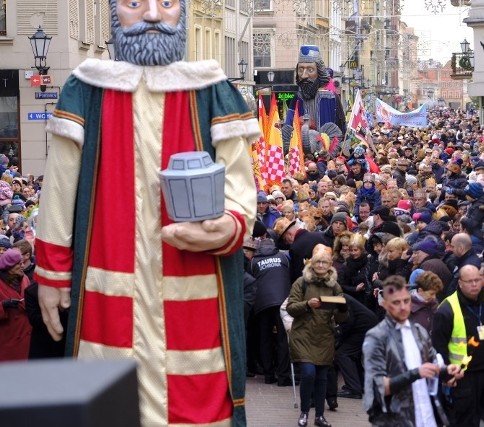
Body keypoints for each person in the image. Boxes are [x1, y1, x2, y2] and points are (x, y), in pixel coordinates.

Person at [34, 1, 260, 424]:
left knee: (197, 398)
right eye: (136, 3)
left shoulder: (211, 89)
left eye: (168, 3)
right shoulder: (85, 88)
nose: (154, 15)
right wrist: (51, 273)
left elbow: (240, 187)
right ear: (113, 12)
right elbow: (59, 191)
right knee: (108, 403)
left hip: (195, 286)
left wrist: (227, 225)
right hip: (108, 288)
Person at [363, 275, 462, 426]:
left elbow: (433, 364)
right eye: (396, 302)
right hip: (395, 419)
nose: (403, 307)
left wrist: (448, 371)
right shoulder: (376, 337)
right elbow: (378, 387)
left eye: (406, 301)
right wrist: (416, 373)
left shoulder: (419, 332)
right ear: (385, 304)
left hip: (426, 416)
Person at [432, 265, 484, 427]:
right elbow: (438, 347)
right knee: (465, 421)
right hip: (463, 376)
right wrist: (446, 374)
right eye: (469, 281)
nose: (474, 284)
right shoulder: (447, 308)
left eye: (477, 280)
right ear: (460, 283)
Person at [286, 244, 348, 427]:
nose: (320, 265)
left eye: (324, 262)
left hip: (324, 336)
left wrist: (343, 308)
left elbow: (340, 317)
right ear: (311, 263)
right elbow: (290, 307)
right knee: (308, 373)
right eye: (317, 262)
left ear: (330, 265)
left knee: (322, 378)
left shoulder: (335, 286)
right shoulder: (301, 282)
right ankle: (305, 412)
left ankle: (319, 416)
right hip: (303, 335)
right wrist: (307, 304)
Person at [283, 45, 346, 156]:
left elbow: (341, 132)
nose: (304, 75)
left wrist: (332, 151)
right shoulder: (296, 98)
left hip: (326, 154)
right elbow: (288, 126)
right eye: (300, 70)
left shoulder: (331, 98)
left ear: (319, 72)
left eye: (310, 70)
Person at [250, 237, 292, 386]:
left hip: (262, 303)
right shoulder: (283, 257)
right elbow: (289, 275)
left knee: (265, 339)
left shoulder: (254, 261)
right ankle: (283, 376)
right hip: (282, 301)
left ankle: (268, 375)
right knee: (282, 339)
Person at [0, 248, 31, 361]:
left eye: (22, 262)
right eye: (19, 263)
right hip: (7, 337)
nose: (23, 265)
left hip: (25, 335)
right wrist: (3, 305)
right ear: (9, 265)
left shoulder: (25, 279)